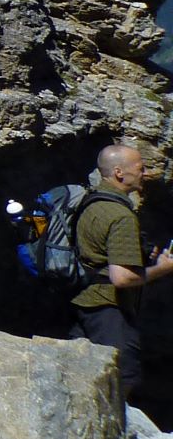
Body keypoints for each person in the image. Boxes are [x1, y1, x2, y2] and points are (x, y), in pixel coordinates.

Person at [71, 142, 173, 399]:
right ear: (119, 172)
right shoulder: (121, 215)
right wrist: (163, 268)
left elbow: (96, 252)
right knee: (120, 377)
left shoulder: (90, 202)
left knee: (81, 376)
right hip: (109, 311)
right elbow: (122, 277)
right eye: (140, 168)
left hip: (82, 304)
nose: (145, 173)